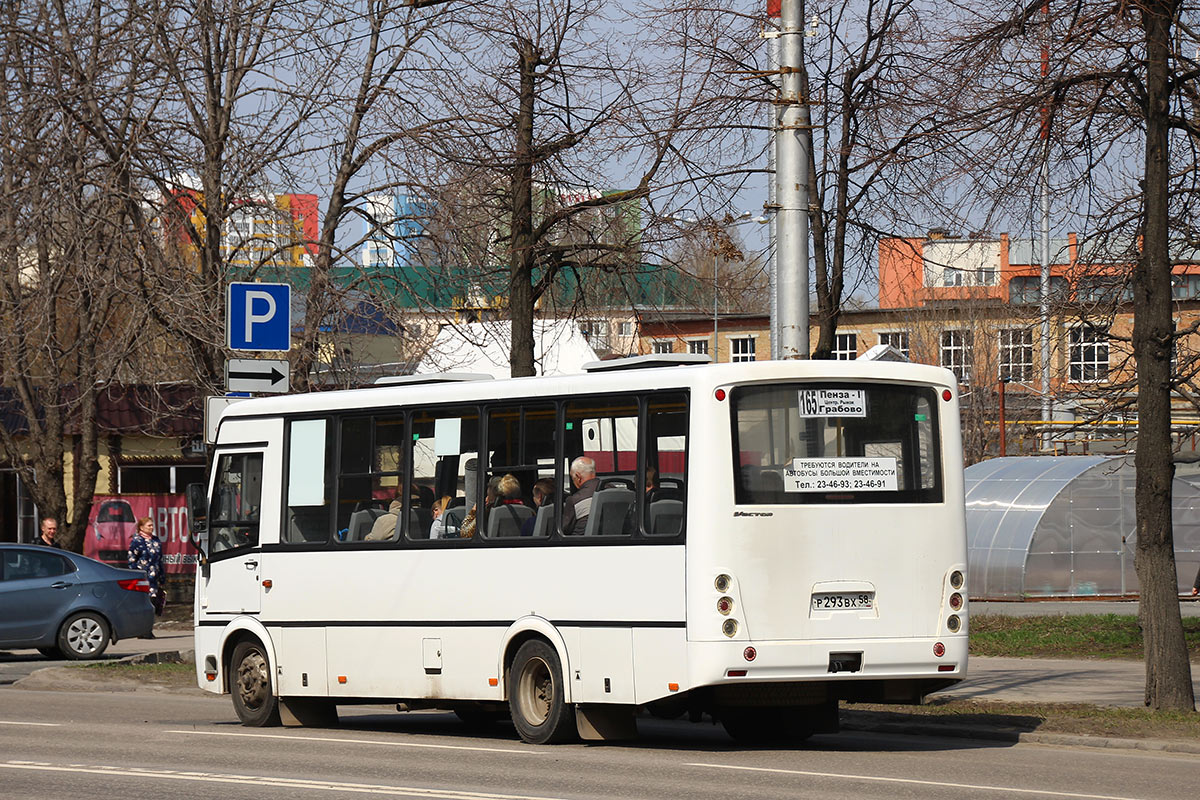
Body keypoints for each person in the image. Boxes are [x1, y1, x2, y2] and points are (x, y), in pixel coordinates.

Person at [128, 516, 165, 628]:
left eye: (152, 525)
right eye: (149, 525)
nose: (151, 527)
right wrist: (135, 575)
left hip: (154, 579)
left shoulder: (156, 540)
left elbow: (160, 559)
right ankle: (142, 629)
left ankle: (148, 627)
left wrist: (162, 576)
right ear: (141, 527)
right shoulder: (137, 541)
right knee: (143, 604)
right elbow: (131, 560)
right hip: (142, 579)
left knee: (153, 603)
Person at [561, 456, 599, 535]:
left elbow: (563, 530)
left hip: (580, 544)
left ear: (578, 477)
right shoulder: (612, 489)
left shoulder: (574, 500)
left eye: (572, 478)